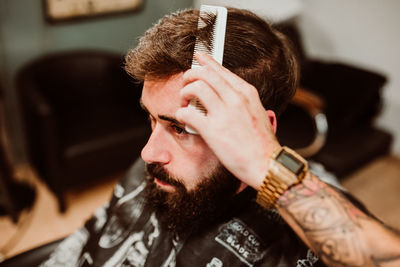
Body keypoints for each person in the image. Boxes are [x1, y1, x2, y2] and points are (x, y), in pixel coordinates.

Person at [40, 7, 400, 267]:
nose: (148, 153)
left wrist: (266, 164)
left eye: (181, 127)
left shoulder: (298, 241)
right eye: (152, 119)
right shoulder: (158, 168)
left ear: (253, 129)